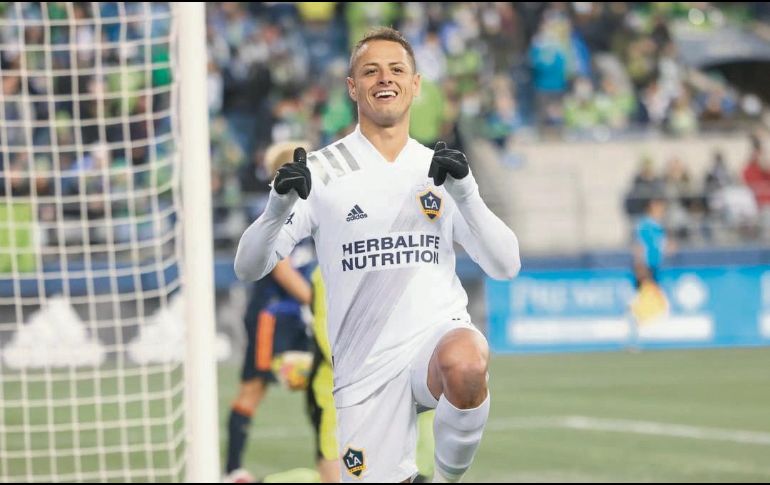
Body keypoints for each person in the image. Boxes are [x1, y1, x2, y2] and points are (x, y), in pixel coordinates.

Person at [235, 27, 521, 483]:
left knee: (467, 360)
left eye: (396, 69)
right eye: (370, 71)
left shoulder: (440, 170)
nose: (383, 78)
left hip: (432, 343)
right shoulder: (321, 171)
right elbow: (248, 267)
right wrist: (275, 209)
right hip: (364, 370)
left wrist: (467, 194)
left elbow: (507, 265)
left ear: (415, 84)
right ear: (352, 87)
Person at [224, 142, 316, 483]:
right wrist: (316, 300)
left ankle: (342, 459)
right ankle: (232, 470)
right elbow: (281, 268)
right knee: (253, 388)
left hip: (297, 316)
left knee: (325, 383)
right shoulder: (276, 210)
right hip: (271, 315)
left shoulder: (313, 209)